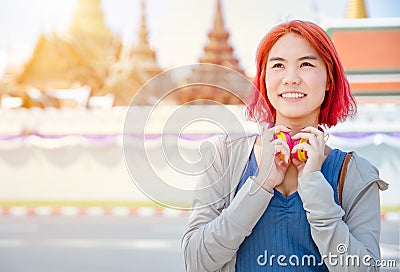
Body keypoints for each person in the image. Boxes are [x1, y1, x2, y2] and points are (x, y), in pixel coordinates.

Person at [181, 20, 388, 272]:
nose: (291, 78)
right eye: (278, 65)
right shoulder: (224, 157)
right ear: (264, 78)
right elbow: (196, 261)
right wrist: (260, 185)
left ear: (329, 80)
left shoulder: (356, 174)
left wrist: (313, 184)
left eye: (306, 64)